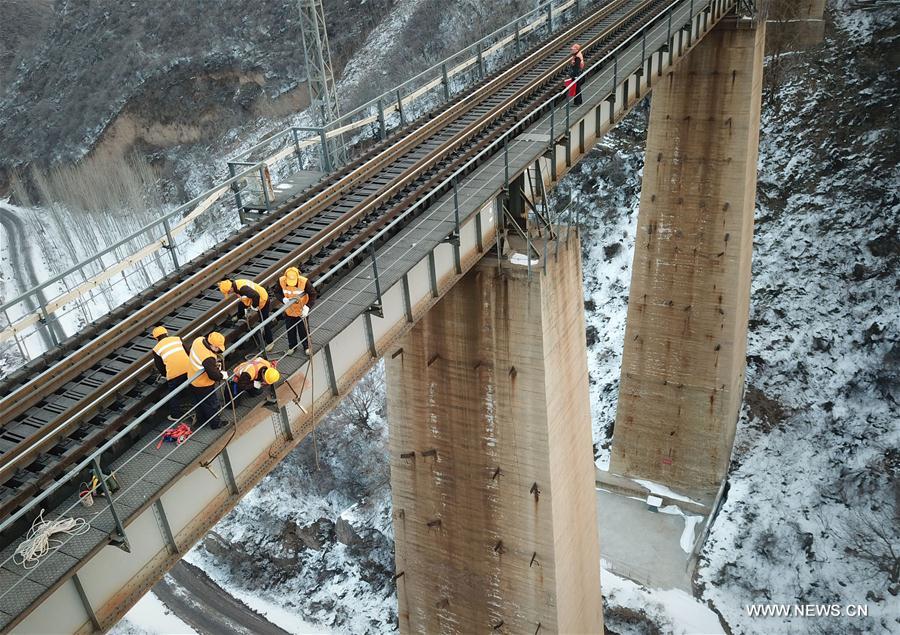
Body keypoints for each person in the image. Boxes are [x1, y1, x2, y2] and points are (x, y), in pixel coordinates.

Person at [188, 331, 229, 429]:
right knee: (211, 404)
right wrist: (222, 375)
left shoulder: (198, 340)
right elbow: (213, 375)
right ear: (212, 345)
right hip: (203, 384)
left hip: (192, 378)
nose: (218, 350)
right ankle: (215, 424)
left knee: (199, 403)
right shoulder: (208, 358)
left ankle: (201, 420)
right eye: (217, 348)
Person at [219, 278, 274, 351]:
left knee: (264, 321)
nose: (229, 293)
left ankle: (270, 342)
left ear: (231, 288)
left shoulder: (243, 288)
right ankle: (239, 316)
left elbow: (256, 295)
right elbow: (247, 296)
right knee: (241, 305)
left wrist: (254, 307)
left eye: (229, 292)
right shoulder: (236, 285)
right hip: (252, 299)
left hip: (262, 300)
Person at [151, 326, 191, 422]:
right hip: (189, 369)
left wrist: (166, 374)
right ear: (167, 333)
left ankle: (176, 415)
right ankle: (198, 405)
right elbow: (187, 352)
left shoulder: (156, 349)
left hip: (174, 374)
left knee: (174, 394)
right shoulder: (177, 339)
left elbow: (160, 366)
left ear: (156, 338)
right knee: (193, 386)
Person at [277, 266, 316, 355]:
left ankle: (307, 346)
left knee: (303, 330)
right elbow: (277, 292)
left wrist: (307, 307)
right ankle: (292, 346)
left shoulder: (304, 282)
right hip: (289, 311)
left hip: (301, 311)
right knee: (290, 330)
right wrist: (283, 299)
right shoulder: (281, 281)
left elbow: (313, 294)